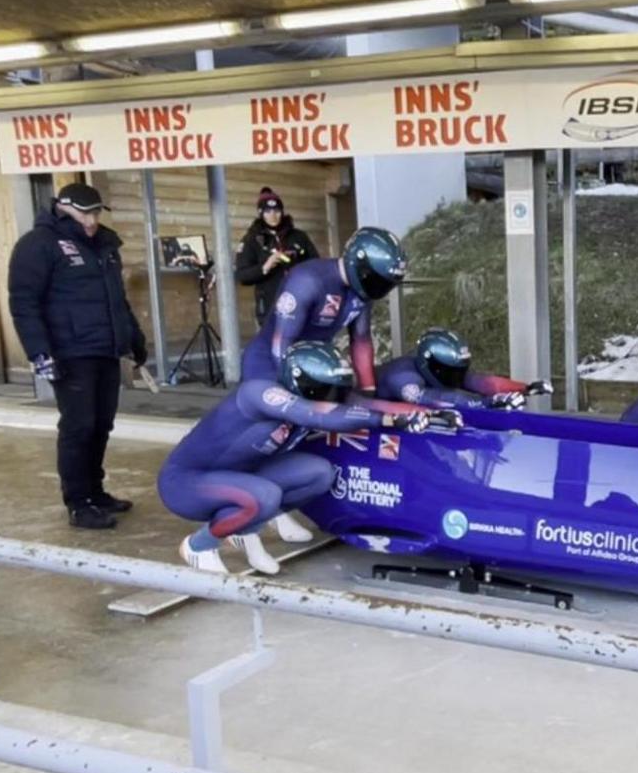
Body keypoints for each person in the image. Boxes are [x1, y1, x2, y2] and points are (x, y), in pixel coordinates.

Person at [159, 342, 438, 573]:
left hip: (242, 474)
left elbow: (365, 405)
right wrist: (388, 420)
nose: (336, 398)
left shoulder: (315, 398)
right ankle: (199, 546)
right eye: (329, 391)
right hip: (186, 482)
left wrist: (422, 413)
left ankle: (245, 529)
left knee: (320, 473)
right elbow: (316, 414)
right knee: (264, 495)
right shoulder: (259, 393)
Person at [8, 183, 149, 530]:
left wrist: (133, 338)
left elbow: (118, 300)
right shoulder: (38, 244)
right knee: (78, 426)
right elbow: (24, 303)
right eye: (83, 213)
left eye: (96, 212)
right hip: (69, 352)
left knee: (102, 423)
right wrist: (40, 352)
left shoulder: (105, 245)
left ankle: (95, 491)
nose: (90, 220)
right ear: (62, 208)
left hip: (104, 348)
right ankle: (78, 501)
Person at [239, 226, 405, 391]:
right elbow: (282, 341)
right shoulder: (307, 281)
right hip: (268, 359)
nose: (379, 287)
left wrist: (368, 389)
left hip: (314, 362)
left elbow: (361, 340)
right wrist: (292, 387)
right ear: (359, 263)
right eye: (377, 279)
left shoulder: (365, 292)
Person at [377, 328, 551, 410]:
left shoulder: (440, 371)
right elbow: (438, 399)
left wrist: (525, 388)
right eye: (450, 371)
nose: (456, 377)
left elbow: (480, 382)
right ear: (429, 363)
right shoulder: (403, 378)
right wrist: (488, 403)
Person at [235, 187, 319, 325]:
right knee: (274, 344)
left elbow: (316, 265)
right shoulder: (252, 239)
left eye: (277, 211)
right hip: (270, 307)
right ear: (261, 213)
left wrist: (296, 262)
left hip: (301, 302)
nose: (273, 216)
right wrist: (265, 267)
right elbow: (242, 275)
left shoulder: (298, 236)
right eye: (268, 211)